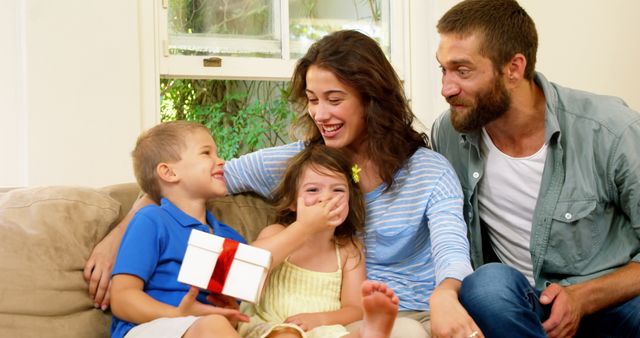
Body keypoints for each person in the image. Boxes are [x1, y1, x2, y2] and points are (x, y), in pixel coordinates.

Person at [86, 30, 478, 337]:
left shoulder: (428, 171)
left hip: (408, 311)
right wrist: (115, 239)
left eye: (334, 99)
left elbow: (451, 249)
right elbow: (183, 181)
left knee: (405, 330)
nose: (320, 114)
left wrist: (446, 294)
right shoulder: (301, 162)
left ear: (370, 99)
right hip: (325, 323)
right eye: (312, 99)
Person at [431, 1, 640, 337]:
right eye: (443, 70)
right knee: (484, 285)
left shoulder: (610, 130)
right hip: (521, 309)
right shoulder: (450, 133)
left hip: (609, 303)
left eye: (463, 70)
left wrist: (582, 297)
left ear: (514, 67)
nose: (446, 88)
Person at [238, 143, 398, 338]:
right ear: (291, 202)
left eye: (338, 190)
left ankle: (369, 333)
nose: (326, 198)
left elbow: (354, 308)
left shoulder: (349, 250)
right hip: (272, 324)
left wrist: (320, 319)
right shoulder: (276, 232)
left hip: (323, 330)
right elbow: (250, 263)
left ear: (350, 199)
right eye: (313, 190)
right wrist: (305, 227)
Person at [109, 121, 250, 338]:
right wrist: (177, 315)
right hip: (146, 328)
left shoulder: (229, 238)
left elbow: (224, 314)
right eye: (206, 153)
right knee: (212, 326)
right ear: (169, 172)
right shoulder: (152, 220)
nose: (220, 161)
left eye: (217, 153)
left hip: (203, 328)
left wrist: (229, 308)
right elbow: (122, 297)